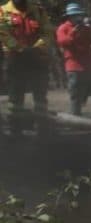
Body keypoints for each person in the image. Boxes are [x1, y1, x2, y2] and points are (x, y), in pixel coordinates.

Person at [0, 0, 53, 135]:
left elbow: (47, 32)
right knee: (16, 96)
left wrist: (37, 47)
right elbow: (3, 33)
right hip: (15, 58)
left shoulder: (39, 11)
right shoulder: (3, 11)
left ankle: (43, 126)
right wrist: (19, 49)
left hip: (37, 56)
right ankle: (15, 128)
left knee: (40, 93)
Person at [55, 3, 91, 119]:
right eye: (74, 16)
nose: (77, 18)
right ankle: (75, 118)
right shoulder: (63, 28)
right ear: (68, 17)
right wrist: (73, 32)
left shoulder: (88, 29)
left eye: (78, 15)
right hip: (74, 67)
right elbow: (62, 42)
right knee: (76, 95)